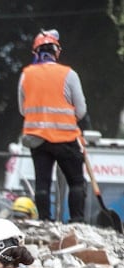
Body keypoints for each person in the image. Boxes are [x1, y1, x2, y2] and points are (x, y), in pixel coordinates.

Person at [18, 29, 87, 222]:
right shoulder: (69, 74)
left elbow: (23, 110)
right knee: (75, 183)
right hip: (65, 138)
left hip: (37, 138)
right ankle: (77, 222)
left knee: (42, 183)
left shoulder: (26, 75)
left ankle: (45, 221)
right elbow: (80, 111)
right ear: (57, 52)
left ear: (36, 53)